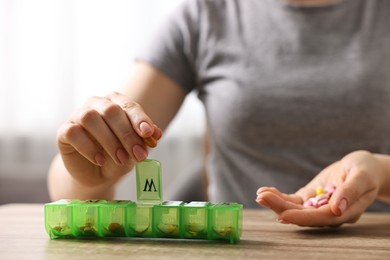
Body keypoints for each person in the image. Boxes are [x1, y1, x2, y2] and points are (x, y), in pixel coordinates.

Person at [48, 0, 390, 227]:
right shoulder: (205, 14)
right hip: (238, 246)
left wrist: (381, 173)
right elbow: (68, 188)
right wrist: (89, 173)